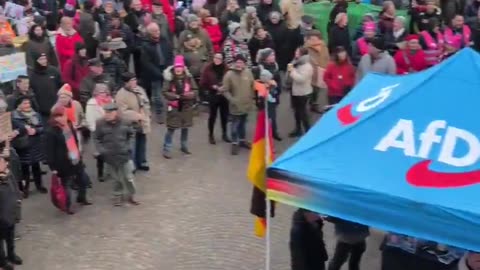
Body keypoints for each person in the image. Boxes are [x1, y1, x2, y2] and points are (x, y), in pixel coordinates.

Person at [45, 106, 91, 215]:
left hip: (75, 158)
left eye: (63, 115)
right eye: (58, 116)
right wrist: (53, 167)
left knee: (83, 180)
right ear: (54, 118)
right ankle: (67, 205)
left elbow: (75, 141)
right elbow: (49, 150)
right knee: (67, 185)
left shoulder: (69, 126)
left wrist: (79, 155)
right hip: (63, 163)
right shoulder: (51, 132)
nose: (61, 118)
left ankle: (82, 198)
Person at [94, 103, 139, 206]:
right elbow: (96, 138)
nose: (107, 115)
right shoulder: (100, 123)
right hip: (110, 156)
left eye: (109, 113)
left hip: (124, 154)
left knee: (129, 177)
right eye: (106, 112)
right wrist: (101, 150)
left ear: (115, 112)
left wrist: (128, 146)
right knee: (115, 179)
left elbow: (131, 135)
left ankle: (132, 195)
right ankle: (117, 196)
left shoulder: (125, 122)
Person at [162, 56, 198, 159]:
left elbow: (195, 90)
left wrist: (190, 95)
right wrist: (176, 96)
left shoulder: (188, 78)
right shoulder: (169, 78)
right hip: (174, 108)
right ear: (174, 67)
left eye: (180, 67)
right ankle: (167, 148)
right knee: (171, 128)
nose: (178, 69)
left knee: (185, 127)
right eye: (177, 67)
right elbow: (164, 92)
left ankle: (184, 146)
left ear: (183, 68)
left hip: (186, 107)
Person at [10, 97, 46, 198]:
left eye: (29, 103)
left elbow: (42, 127)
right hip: (23, 146)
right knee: (24, 169)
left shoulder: (36, 114)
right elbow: (13, 131)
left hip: (35, 144)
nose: (28, 106)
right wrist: (22, 130)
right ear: (19, 105)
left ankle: (39, 186)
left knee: (36, 167)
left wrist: (36, 131)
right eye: (25, 104)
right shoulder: (13, 117)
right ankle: (25, 189)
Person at [115, 72, 151, 171]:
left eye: (135, 79)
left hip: (142, 122)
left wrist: (147, 113)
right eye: (132, 80)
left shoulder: (140, 90)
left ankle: (142, 161)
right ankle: (132, 165)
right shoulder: (121, 95)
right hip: (130, 124)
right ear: (126, 83)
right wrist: (137, 115)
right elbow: (122, 112)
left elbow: (146, 102)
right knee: (131, 145)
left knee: (142, 142)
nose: (135, 82)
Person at [140, 22, 174, 124]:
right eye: (154, 31)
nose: (157, 32)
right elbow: (147, 63)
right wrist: (159, 73)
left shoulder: (165, 41)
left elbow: (170, 55)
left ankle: (171, 111)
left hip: (167, 69)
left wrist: (170, 68)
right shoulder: (146, 45)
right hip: (154, 73)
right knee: (157, 95)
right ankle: (159, 113)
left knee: (170, 93)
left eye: (158, 30)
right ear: (149, 33)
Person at [222, 54, 255, 155]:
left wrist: (253, 98)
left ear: (244, 63)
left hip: (246, 105)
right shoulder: (229, 75)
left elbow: (252, 85)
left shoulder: (248, 72)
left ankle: (242, 140)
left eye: (241, 62)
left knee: (243, 124)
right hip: (235, 106)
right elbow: (225, 90)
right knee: (235, 126)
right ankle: (235, 143)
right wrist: (232, 100)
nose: (239, 64)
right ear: (234, 63)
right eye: (237, 62)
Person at [0, 143, 23, 270]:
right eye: (2, 163)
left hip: (10, 212)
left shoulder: (8, 174)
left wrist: (18, 199)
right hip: (1, 217)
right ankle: (2, 261)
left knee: (10, 237)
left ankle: (11, 255)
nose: (6, 164)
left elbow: (15, 188)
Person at [200, 53, 231, 144]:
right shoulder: (208, 68)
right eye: (216, 58)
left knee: (224, 116)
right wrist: (212, 87)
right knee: (212, 116)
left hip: (224, 95)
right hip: (213, 95)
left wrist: (224, 87)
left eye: (219, 58)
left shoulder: (226, 69)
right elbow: (203, 83)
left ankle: (224, 134)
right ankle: (211, 135)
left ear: (223, 60)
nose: (217, 60)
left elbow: (230, 81)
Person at [85, 84, 112, 182]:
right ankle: (100, 173)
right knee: (100, 153)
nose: (103, 94)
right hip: (98, 131)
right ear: (96, 93)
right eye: (100, 92)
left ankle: (109, 171)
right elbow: (89, 118)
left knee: (110, 152)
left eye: (104, 92)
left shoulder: (111, 101)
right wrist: (94, 130)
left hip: (110, 130)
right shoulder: (91, 103)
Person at [28, 52, 63, 125]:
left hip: (57, 108)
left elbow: (61, 85)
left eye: (44, 59)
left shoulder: (53, 71)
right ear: (36, 61)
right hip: (43, 112)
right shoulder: (32, 76)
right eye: (41, 59)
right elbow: (31, 92)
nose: (44, 61)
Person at [256, 48, 282, 140]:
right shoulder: (260, 68)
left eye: (274, 55)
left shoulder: (275, 66)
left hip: (274, 95)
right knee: (265, 117)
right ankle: (264, 136)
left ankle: (274, 132)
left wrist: (278, 90)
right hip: (264, 97)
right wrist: (266, 87)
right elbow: (256, 83)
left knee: (273, 116)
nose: (273, 57)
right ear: (265, 58)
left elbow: (278, 80)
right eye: (271, 55)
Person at [288, 47, 313, 138]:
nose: (295, 54)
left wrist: (292, 71)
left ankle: (308, 131)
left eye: (297, 52)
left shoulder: (307, 66)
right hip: (295, 91)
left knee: (303, 112)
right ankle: (298, 129)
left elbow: (301, 79)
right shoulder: (296, 62)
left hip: (303, 92)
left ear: (302, 54)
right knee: (296, 112)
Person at [53, 84, 85, 149]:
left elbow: (83, 118)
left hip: (76, 131)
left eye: (64, 97)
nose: (62, 99)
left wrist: (80, 125)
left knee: (77, 150)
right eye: (60, 97)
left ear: (69, 97)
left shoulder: (76, 104)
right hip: (63, 133)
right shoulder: (55, 108)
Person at [304, 30, 329, 114]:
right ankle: (305, 103)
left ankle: (313, 104)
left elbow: (327, 57)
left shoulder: (324, 46)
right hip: (310, 73)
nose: (314, 41)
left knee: (316, 90)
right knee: (309, 90)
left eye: (316, 38)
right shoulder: (306, 48)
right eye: (312, 39)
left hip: (321, 71)